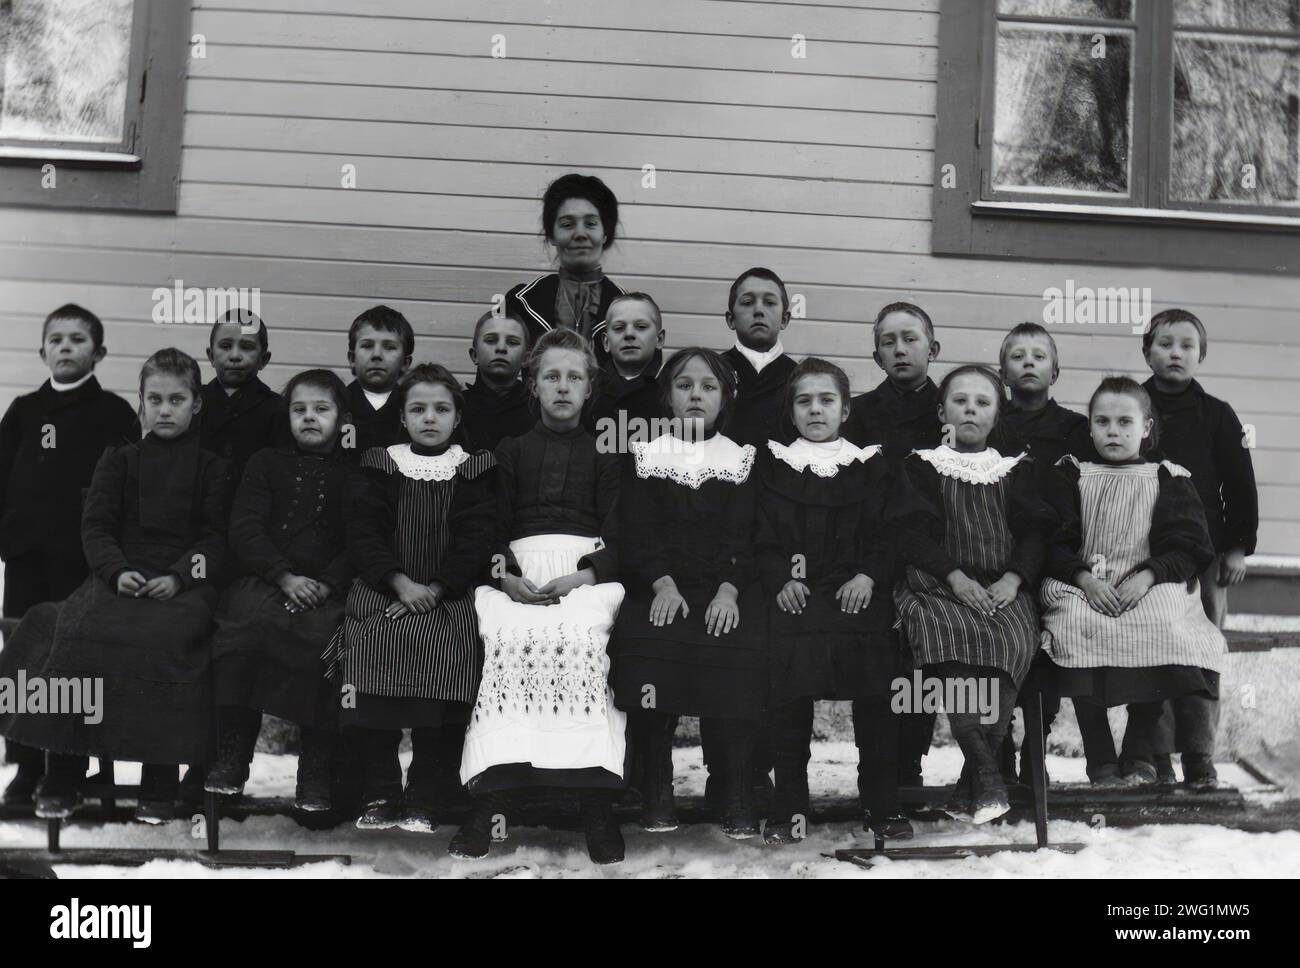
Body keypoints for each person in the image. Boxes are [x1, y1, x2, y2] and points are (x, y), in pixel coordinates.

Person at [0, 349, 229, 823]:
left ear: (197, 404)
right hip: (116, 578)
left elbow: (216, 538)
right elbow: (96, 527)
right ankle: (63, 772)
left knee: (168, 644)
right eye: (155, 399)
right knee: (75, 635)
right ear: (141, 404)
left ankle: (158, 780)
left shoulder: (212, 468)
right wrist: (115, 570)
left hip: (183, 587)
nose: (165, 410)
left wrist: (182, 575)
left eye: (177, 399)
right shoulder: (119, 460)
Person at [455, 329, 627, 865]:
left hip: (584, 574)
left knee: (580, 640)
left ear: (589, 388)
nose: (562, 386)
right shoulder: (510, 452)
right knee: (509, 638)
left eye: (574, 377)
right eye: (551, 376)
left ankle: (597, 807)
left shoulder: (606, 453)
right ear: (532, 385)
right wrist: (504, 574)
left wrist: (584, 577)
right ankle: (488, 805)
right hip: (521, 572)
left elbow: (625, 533)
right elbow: (490, 527)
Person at [324, 364, 497, 833]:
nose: (429, 418)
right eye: (417, 409)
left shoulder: (474, 467)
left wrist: (438, 588)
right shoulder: (380, 463)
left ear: (457, 417)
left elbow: (477, 539)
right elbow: (364, 533)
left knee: (450, 649)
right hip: (385, 589)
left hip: (448, 595)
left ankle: (425, 787)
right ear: (402, 417)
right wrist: (399, 583)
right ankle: (380, 788)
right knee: (371, 649)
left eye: (441, 409)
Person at [1040, 376, 1226, 788]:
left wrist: (1148, 575)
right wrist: (1084, 579)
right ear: (1089, 427)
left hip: (1148, 583)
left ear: (1146, 428)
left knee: (1162, 624)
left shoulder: (1167, 477)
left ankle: (1140, 750)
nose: (1113, 431)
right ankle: (1101, 757)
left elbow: (1189, 547)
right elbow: (1052, 542)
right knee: (1072, 624)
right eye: (1102, 421)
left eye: (1126, 422)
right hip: (1083, 583)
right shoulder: (1071, 474)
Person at [754, 358, 910, 845]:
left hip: (858, 593)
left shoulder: (870, 466)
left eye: (827, 401)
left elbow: (888, 535)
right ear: (792, 411)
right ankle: (790, 806)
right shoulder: (772, 464)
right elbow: (759, 535)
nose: (815, 410)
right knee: (787, 682)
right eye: (804, 401)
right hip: (796, 596)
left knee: (878, 684)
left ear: (845, 410)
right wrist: (782, 578)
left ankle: (881, 803)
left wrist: (867, 575)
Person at [611, 347, 765, 838]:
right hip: (660, 586)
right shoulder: (645, 456)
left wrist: (728, 591)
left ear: (725, 398)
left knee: (737, 649)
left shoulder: (740, 460)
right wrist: (662, 583)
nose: (696, 394)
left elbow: (745, 535)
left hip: (723, 588)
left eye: (708, 386)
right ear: (667, 397)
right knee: (649, 646)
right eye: (684, 385)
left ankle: (733, 787)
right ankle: (656, 786)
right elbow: (637, 532)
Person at [889, 365, 1046, 823]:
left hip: (1001, 584)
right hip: (938, 584)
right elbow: (911, 535)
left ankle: (970, 783)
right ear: (942, 412)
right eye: (960, 401)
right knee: (952, 637)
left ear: (996, 416)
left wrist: (1014, 580)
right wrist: (955, 577)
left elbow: (1034, 534)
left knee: (1013, 636)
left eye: (982, 402)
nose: (970, 409)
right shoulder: (920, 465)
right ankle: (985, 770)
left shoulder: (1016, 469)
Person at [0, 303, 137, 805]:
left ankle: (69, 763)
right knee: (23, 657)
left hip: (82, 561)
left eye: (77, 339)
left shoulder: (113, 414)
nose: (65, 347)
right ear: (41, 351)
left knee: (74, 658)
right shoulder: (22, 412)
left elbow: (126, 488)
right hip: (26, 559)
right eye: (56, 339)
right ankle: (27, 761)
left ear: (98, 353)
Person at [205, 370, 355, 812]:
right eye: (299, 409)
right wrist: (283, 575)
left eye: (321, 409)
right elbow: (245, 527)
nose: (309, 418)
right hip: (269, 580)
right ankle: (233, 755)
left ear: (342, 418)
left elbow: (362, 539)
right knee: (243, 629)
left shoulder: (357, 472)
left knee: (326, 644)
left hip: (328, 590)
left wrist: (326, 582)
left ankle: (315, 769)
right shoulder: (265, 463)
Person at [1140, 309, 1256, 789]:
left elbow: (1240, 484)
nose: (1175, 353)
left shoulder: (1218, 415)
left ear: (1201, 356)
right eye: (1165, 343)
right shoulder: (1132, 405)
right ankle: (1155, 756)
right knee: (1149, 654)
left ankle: (1199, 757)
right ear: (1146, 351)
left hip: (1205, 559)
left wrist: (1237, 548)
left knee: (1201, 653)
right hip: (1142, 555)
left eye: (1187, 345)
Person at [843, 302, 944, 788]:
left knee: (922, 659)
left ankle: (910, 764)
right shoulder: (859, 415)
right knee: (878, 654)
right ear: (877, 356)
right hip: (876, 556)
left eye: (911, 338)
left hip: (941, 555)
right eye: (889, 342)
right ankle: (875, 766)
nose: (900, 349)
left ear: (933, 348)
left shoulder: (955, 408)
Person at [505, 173, 627, 366]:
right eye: (567, 224)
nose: (580, 234)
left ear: (605, 233)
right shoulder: (519, 302)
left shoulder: (632, 310)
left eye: (591, 224)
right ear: (552, 234)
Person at [459, 311, 535, 453]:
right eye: (491, 340)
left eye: (512, 342)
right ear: (474, 355)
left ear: (526, 359)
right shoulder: (456, 408)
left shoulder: (537, 410)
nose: (501, 348)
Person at [345, 305, 414, 455]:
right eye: (367, 346)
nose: (376, 354)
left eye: (389, 347)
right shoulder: (338, 404)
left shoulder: (413, 408)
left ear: (405, 363)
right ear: (352, 359)